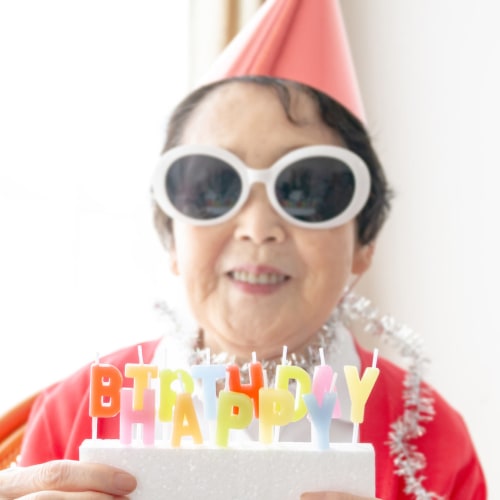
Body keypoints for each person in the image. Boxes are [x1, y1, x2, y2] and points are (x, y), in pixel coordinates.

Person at [0, 0, 487, 498]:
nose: (258, 228)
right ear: (171, 237)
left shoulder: (429, 440)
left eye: (308, 189)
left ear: (364, 242)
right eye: (214, 187)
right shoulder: (77, 411)